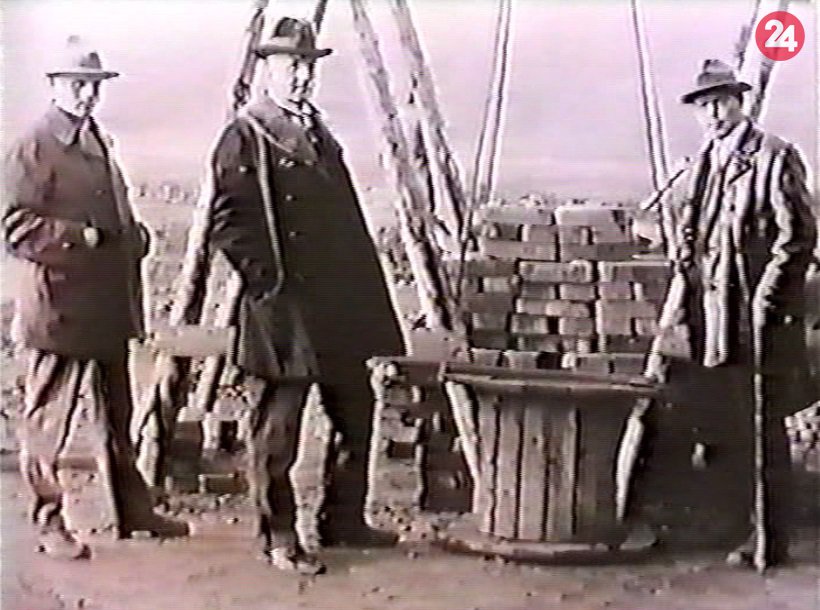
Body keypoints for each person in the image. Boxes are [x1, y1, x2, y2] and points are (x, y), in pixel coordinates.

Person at [208, 17, 405, 574]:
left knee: (356, 413)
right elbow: (229, 223)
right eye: (290, 66)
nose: (300, 76)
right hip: (285, 309)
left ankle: (342, 521)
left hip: (336, 306)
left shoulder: (318, 132)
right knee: (279, 431)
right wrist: (269, 284)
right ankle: (278, 535)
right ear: (267, 69)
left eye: (307, 66)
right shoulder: (247, 134)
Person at [2, 36, 189, 560]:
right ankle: (48, 523)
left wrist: (135, 236)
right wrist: (79, 237)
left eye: (93, 86)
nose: (87, 95)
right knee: (49, 424)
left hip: (105, 307)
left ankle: (133, 512)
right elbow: (15, 227)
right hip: (60, 310)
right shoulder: (35, 146)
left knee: (116, 417)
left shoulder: (96, 140)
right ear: (55, 86)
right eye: (77, 85)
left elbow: (111, 210)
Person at [638, 59, 817, 566]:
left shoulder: (773, 157)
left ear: (741, 103)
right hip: (711, 318)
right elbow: (697, 228)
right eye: (704, 106)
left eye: (722, 103)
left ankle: (768, 542)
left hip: (756, 320)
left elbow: (798, 238)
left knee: (762, 426)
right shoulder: (704, 161)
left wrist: (767, 299)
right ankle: (735, 528)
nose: (714, 114)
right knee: (725, 425)